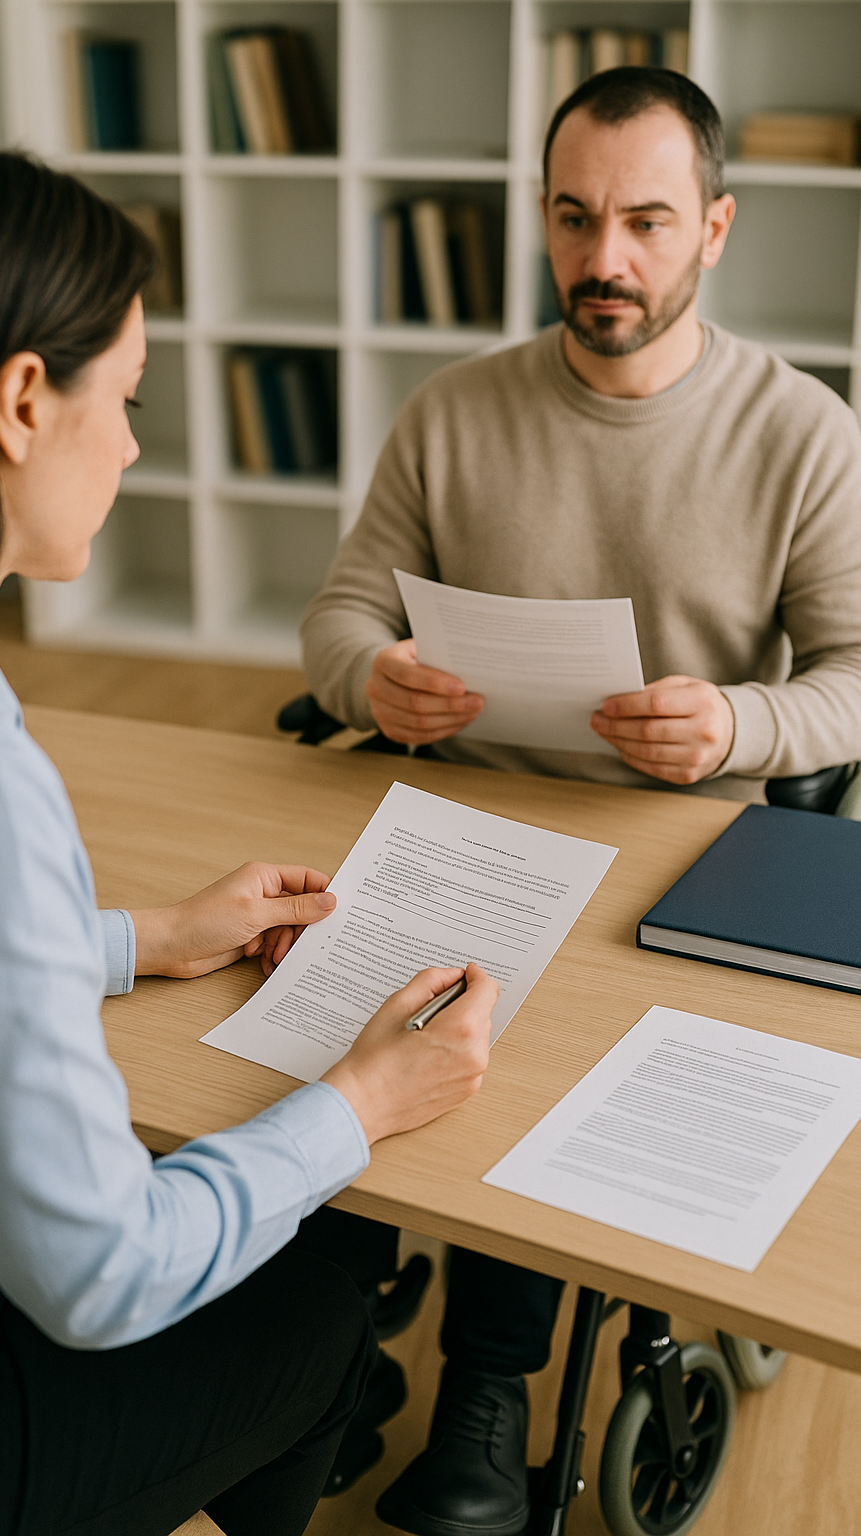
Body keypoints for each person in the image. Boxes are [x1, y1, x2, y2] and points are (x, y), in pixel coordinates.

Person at [0, 142, 500, 1536]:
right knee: (317, 1308)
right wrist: (366, 1103)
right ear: (23, 399)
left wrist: (144, 938)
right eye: (125, 398)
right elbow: (98, 1278)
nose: (135, 445)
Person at [299, 67, 861, 1536]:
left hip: (674, 841)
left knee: (530, 1056)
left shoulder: (803, 432)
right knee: (310, 1022)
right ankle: (316, 1351)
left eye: (646, 223)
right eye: (573, 218)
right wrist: (375, 682)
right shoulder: (453, 410)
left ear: (717, 229)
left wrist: (743, 719)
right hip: (463, 815)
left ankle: (485, 1392)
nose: (603, 260)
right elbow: (342, 614)